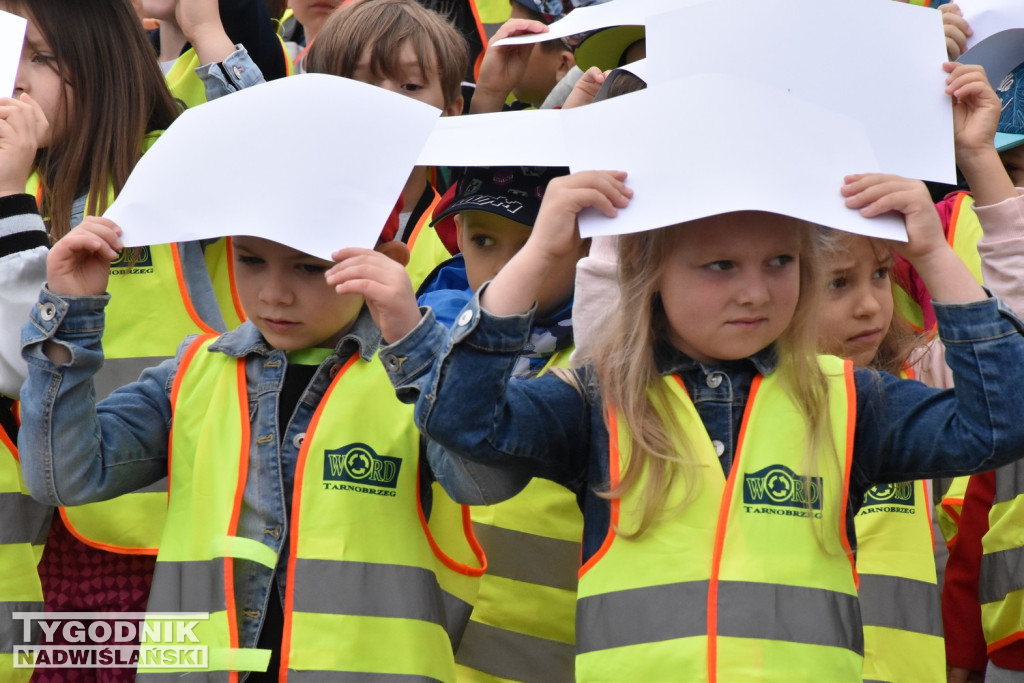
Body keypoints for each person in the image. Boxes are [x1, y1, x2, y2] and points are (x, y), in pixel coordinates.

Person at [354, 159, 1024, 679]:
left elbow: (1001, 423)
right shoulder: (600, 401)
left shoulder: (852, 399)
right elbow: (462, 424)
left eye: (780, 262)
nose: (755, 291)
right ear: (651, 272)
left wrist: (935, 255)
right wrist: (539, 255)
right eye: (720, 266)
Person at [17, 210, 488, 680]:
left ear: (388, 262)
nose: (273, 293)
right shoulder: (191, 374)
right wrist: (71, 312)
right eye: (250, 260)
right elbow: (62, 476)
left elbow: (482, 482)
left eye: (308, 267)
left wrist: (416, 345)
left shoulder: (422, 377)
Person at [0, 1, 257, 679]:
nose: (17, 81)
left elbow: (269, 156)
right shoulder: (25, 179)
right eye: (10, 53)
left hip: (177, 525)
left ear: (101, 62)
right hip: (60, 529)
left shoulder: (168, 167)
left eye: (42, 58)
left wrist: (206, 31)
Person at [413, 165, 582, 681]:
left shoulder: (606, 357)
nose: (508, 269)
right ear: (457, 237)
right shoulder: (423, 336)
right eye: (483, 240)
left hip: (556, 655)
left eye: (537, 246)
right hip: (434, 652)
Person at [303, 0, 469, 288]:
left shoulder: (465, 235)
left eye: (411, 86)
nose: (388, 101)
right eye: (361, 84)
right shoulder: (287, 221)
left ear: (451, 111)